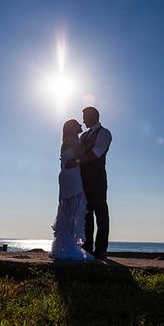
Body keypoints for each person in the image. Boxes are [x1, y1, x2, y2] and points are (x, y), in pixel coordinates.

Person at [65, 106, 112, 258]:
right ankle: (87, 246)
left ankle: (101, 249)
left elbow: (96, 153)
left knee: (101, 212)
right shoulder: (84, 135)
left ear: (93, 116)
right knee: (86, 213)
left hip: (97, 178)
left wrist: (77, 161)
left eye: (85, 116)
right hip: (82, 179)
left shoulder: (104, 133)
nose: (83, 120)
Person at [50, 119, 93, 260]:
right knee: (75, 207)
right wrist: (90, 142)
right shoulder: (73, 140)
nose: (81, 125)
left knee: (66, 210)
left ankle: (63, 244)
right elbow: (82, 152)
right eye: (78, 124)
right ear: (73, 128)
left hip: (65, 176)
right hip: (72, 176)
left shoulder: (66, 141)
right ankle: (69, 245)